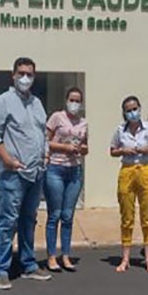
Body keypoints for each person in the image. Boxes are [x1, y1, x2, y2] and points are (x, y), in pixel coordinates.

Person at [0, 57, 53, 290]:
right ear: (12, 75)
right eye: (21, 73)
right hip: (13, 174)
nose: (25, 78)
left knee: (28, 221)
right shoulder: (3, 102)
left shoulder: (37, 103)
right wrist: (7, 160)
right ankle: (1, 269)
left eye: (30, 74)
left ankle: (28, 265)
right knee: (8, 221)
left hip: (36, 173)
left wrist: (45, 156)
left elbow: (43, 133)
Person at [109, 95, 148, 273]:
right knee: (127, 216)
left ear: (140, 108)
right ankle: (125, 259)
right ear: (124, 112)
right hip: (127, 170)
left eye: (135, 109)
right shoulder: (119, 130)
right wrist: (123, 150)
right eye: (129, 110)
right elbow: (112, 151)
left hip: (145, 169)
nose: (132, 112)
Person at [44, 87, 89, 272]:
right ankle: (51, 256)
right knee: (55, 214)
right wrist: (64, 147)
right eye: (72, 99)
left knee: (68, 216)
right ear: (66, 100)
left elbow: (86, 146)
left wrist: (82, 149)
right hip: (55, 168)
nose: (74, 104)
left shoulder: (84, 123)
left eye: (78, 101)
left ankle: (66, 255)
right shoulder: (57, 117)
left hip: (75, 171)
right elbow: (45, 141)